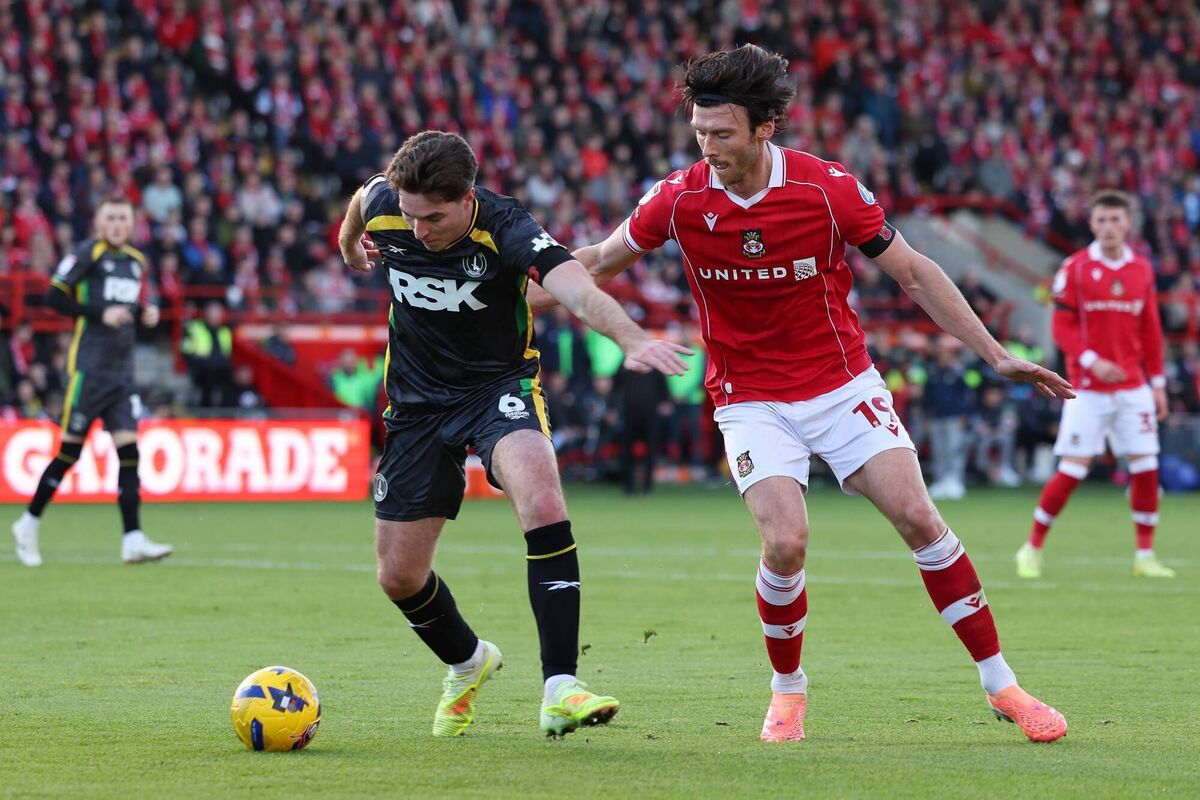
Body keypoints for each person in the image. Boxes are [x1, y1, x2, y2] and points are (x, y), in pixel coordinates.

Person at [531, 45, 1074, 743]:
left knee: (918, 515)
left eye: (722, 134)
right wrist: (498, 298)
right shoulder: (680, 197)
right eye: (699, 133)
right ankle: (788, 689)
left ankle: (1003, 685)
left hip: (841, 382)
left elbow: (912, 271)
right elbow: (596, 264)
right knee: (786, 543)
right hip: (750, 397)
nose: (708, 147)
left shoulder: (826, 188)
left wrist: (996, 353)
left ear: (765, 129)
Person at [338, 131, 689, 738]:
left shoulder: (506, 226)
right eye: (411, 215)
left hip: (496, 388)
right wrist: (350, 248)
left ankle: (561, 687)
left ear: (467, 197)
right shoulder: (387, 203)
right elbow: (356, 206)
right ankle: (469, 662)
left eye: (435, 217)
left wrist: (631, 338)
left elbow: (575, 286)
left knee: (543, 495)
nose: (419, 229)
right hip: (416, 406)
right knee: (398, 577)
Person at [1016, 191, 1174, 579]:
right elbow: (1062, 327)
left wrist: (1158, 384)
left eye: (1116, 220)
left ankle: (1145, 556)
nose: (1109, 227)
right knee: (1073, 469)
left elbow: (1151, 331)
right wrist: (1092, 361)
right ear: (1092, 224)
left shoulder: (1141, 270)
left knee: (1146, 466)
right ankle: (1031, 548)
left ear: (1128, 224)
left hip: (1134, 387)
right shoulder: (1075, 268)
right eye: (1102, 220)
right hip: (1085, 388)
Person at [11, 197, 173, 566]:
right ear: (99, 223)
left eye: (123, 218)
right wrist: (101, 313)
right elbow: (53, 297)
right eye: (110, 218)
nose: (117, 224)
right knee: (69, 453)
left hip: (122, 374)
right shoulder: (88, 254)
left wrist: (145, 314)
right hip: (90, 371)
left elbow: (127, 309)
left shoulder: (136, 262)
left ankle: (132, 538)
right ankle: (28, 522)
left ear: (131, 225)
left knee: (129, 454)